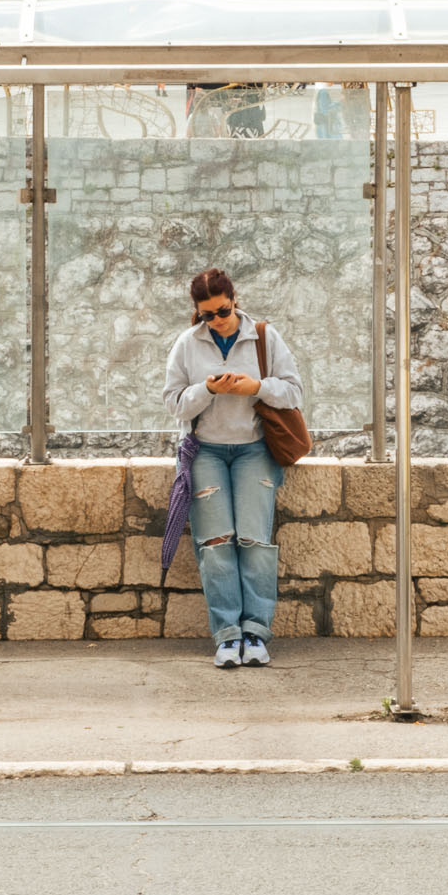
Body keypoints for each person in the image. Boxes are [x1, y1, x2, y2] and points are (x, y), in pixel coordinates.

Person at [163, 269, 303, 668]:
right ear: (197, 313)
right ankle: (226, 636)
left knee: (255, 541)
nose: (217, 320)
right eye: (207, 315)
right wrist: (207, 390)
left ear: (234, 299)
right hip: (205, 451)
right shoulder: (187, 344)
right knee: (214, 544)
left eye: (222, 311)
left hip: (254, 450)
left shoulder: (263, 336)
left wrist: (254, 387)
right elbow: (173, 403)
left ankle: (256, 632)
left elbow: (293, 391)